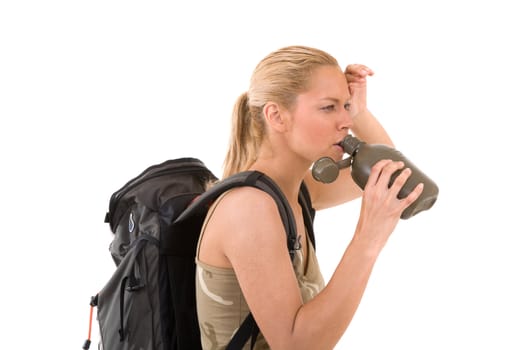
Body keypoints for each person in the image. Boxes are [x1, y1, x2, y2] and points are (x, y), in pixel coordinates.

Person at [195, 45, 424, 350]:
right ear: (276, 116)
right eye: (329, 107)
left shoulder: (297, 191)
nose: (345, 122)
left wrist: (360, 112)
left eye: (346, 107)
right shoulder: (248, 209)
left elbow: (388, 170)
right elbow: (296, 345)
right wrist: (368, 238)